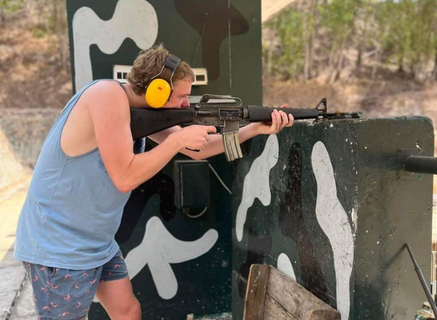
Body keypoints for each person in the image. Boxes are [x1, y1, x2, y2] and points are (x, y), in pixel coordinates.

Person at [14, 45, 294, 320]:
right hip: (58, 243)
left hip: (94, 240)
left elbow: (200, 148)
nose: (187, 103)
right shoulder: (106, 96)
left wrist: (254, 129)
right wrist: (175, 141)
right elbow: (124, 177)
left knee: (127, 312)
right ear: (156, 91)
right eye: (183, 96)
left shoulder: (135, 113)